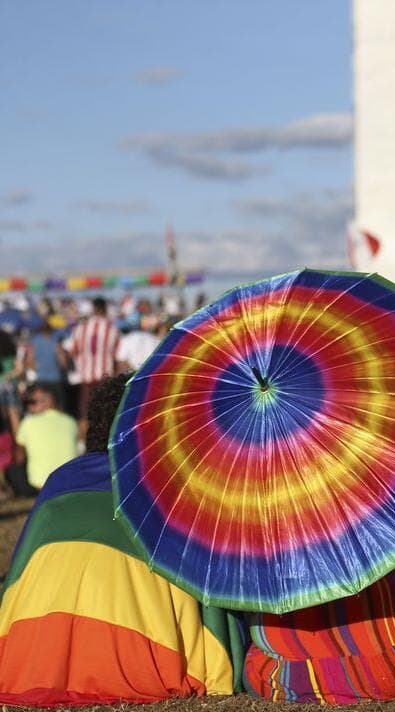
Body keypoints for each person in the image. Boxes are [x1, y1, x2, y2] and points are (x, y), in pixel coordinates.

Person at [0, 375, 246, 705]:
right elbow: (208, 587)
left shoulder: (62, 479)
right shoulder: (172, 480)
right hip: (145, 656)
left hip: (33, 656)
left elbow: (16, 578)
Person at [243, 575, 395, 705]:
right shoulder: (358, 519)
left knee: (254, 654)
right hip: (394, 671)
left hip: (292, 680)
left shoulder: (260, 544)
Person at [11, 383, 77, 495]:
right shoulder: (71, 422)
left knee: (12, 467)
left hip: (39, 484)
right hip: (70, 482)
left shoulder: (28, 423)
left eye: (32, 402)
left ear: (48, 401)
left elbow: (19, 458)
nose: (29, 407)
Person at [68, 296, 120, 435]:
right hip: (105, 378)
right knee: (105, 415)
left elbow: (72, 351)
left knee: (85, 413)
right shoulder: (112, 329)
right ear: (105, 309)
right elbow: (117, 356)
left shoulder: (80, 328)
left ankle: (83, 447)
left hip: (86, 377)